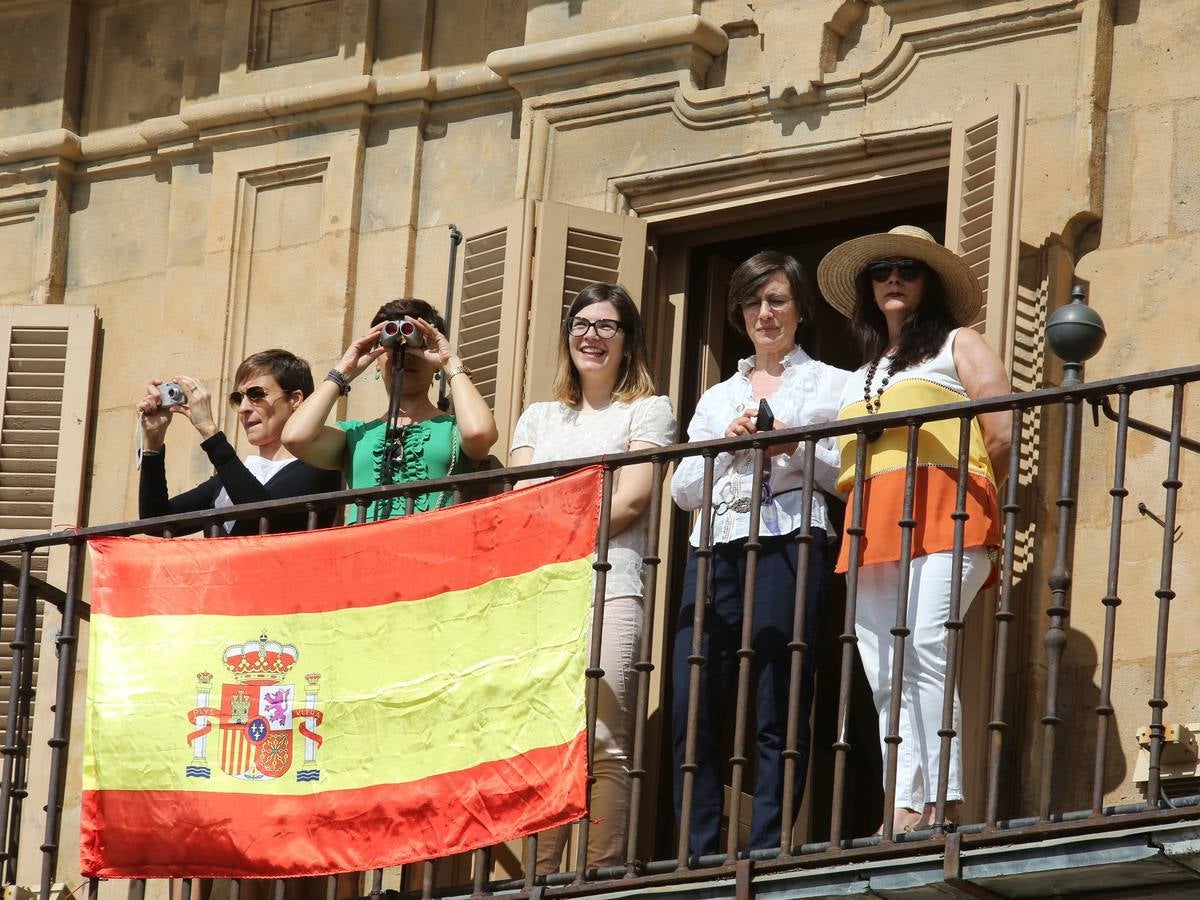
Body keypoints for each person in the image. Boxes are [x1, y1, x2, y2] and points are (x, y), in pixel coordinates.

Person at [815, 225, 1010, 834]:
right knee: (885, 670)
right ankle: (902, 806)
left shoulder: (958, 343)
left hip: (945, 513)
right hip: (872, 526)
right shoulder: (860, 374)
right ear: (870, 288)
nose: (893, 278)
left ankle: (942, 802)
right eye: (881, 271)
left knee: (927, 647)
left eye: (907, 268)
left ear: (929, 282)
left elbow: (1002, 428)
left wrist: (959, 486)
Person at [670, 251, 850, 857]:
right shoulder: (717, 396)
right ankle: (697, 850)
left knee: (780, 697)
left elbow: (845, 471)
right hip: (714, 550)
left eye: (776, 300)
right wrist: (726, 444)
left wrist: (789, 448)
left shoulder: (833, 383)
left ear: (800, 309)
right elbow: (682, 489)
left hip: (791, 542)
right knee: (692, 703)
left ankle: (770, 848)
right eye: (752, 302)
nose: (764, 313)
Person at [508, 283, 675, 874]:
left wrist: (555, 512)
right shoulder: (538, 416)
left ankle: (599, 873)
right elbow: (519, 502)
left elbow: (630, 501)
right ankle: (540, 877)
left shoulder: (648, 410)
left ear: (627, 342)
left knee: (605, 737)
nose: (592, 336)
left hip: (615, 581)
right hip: (544, 588)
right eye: (582, 323)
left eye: (607, 326)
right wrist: (569, 507)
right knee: (549, 737)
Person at [281, 298, 498, 520]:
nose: (405, 354)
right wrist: (344, 371)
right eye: (392, 344)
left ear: (435, 366)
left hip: (434, 550)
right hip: (366, 552)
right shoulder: (355, 435)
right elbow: (295, 437)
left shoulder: (454, 430)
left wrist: (449, 361)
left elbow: (479, 433)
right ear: (376, 360)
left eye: (418, 345)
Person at [136, 349, 341, 535]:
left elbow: (263, 516)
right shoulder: (231, 478)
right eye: (238, 398)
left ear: (295, 399)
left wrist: (210, 432)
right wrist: (152, 444)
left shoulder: (320, 464)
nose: (243, 408)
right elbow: (155, 522)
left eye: (256, 394)